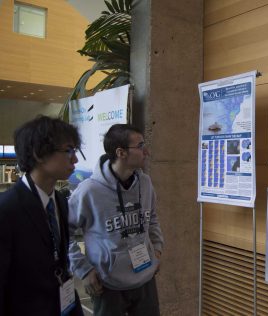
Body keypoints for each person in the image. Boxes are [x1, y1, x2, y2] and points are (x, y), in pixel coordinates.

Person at [68, 124, 164, 316]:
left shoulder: (145, 183)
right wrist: (84, 270)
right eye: (140, 145)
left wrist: (157, 248)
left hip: (145, 279)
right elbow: (64, 233)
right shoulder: (89, 191)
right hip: (108, 285)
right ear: (121, 152)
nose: (146, 151)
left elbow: (152, 218)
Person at [0, 115, 84, 316]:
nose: (75, 159)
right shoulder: (7, 210)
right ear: (39, 154)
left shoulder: (60, 201)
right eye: (68, 150)